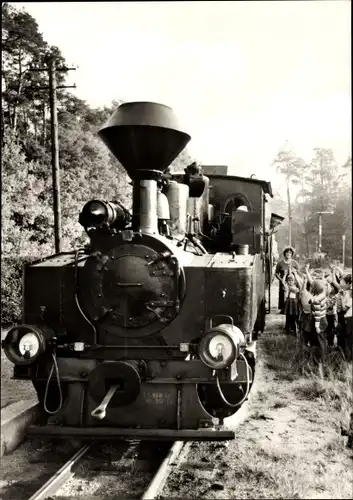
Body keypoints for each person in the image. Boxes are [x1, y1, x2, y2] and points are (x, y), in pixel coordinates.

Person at [275, 246, 299, 314]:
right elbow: (276, 273)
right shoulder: (280, 263)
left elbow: (298, 272)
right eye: (287, 253)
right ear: (284, 253)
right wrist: (281, 280)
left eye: (290, 253)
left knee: (292, 295)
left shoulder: (294, 263)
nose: (288, 254)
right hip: (283, 282)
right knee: (283, 294)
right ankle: (283, 309)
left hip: (292, 282)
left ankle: (292, 309)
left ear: (292, 254)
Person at [281, 269, 302, 335]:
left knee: (294, 317)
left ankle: (294, 328)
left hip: (295, 304)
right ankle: (287, 329)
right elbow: (283, 282)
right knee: (288, 317)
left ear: (294, 281)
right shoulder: (287, 287)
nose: (290, 282)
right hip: (289, 304)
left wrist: (295, 274)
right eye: (289, 280)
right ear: (287, 281)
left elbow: (300, 283)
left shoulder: (296, 287)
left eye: (292, 280)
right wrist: (285, 275)